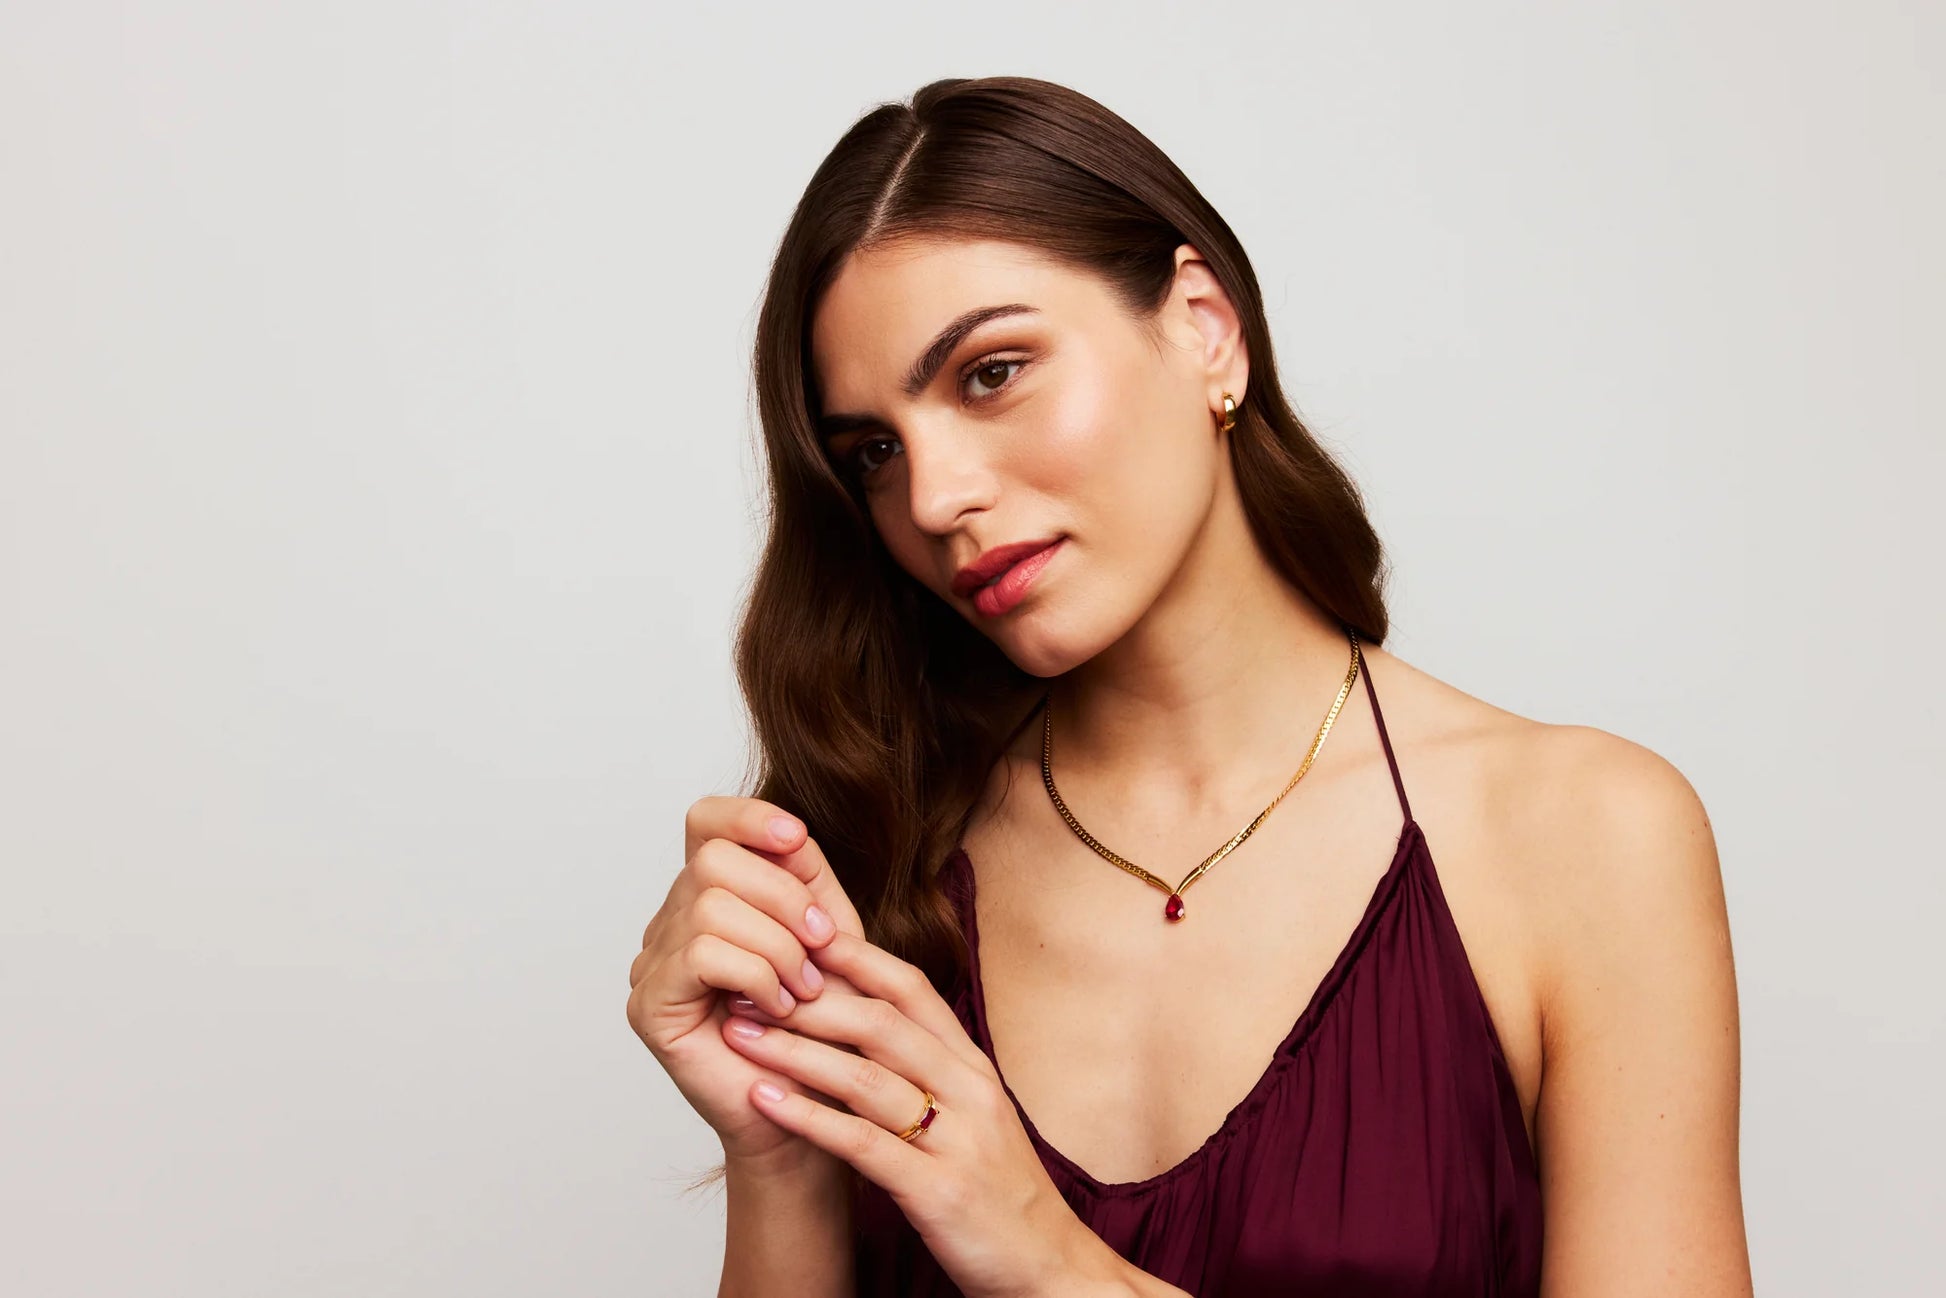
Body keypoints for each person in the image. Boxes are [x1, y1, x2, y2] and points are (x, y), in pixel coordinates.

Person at [626, 75, 1753, 1297]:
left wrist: (1054, 1263)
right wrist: (778, 1153)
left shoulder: (1581, 837)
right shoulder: (876, 858)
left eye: (990, 373)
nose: (934, 498)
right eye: (874, 451)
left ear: (1204, 328)